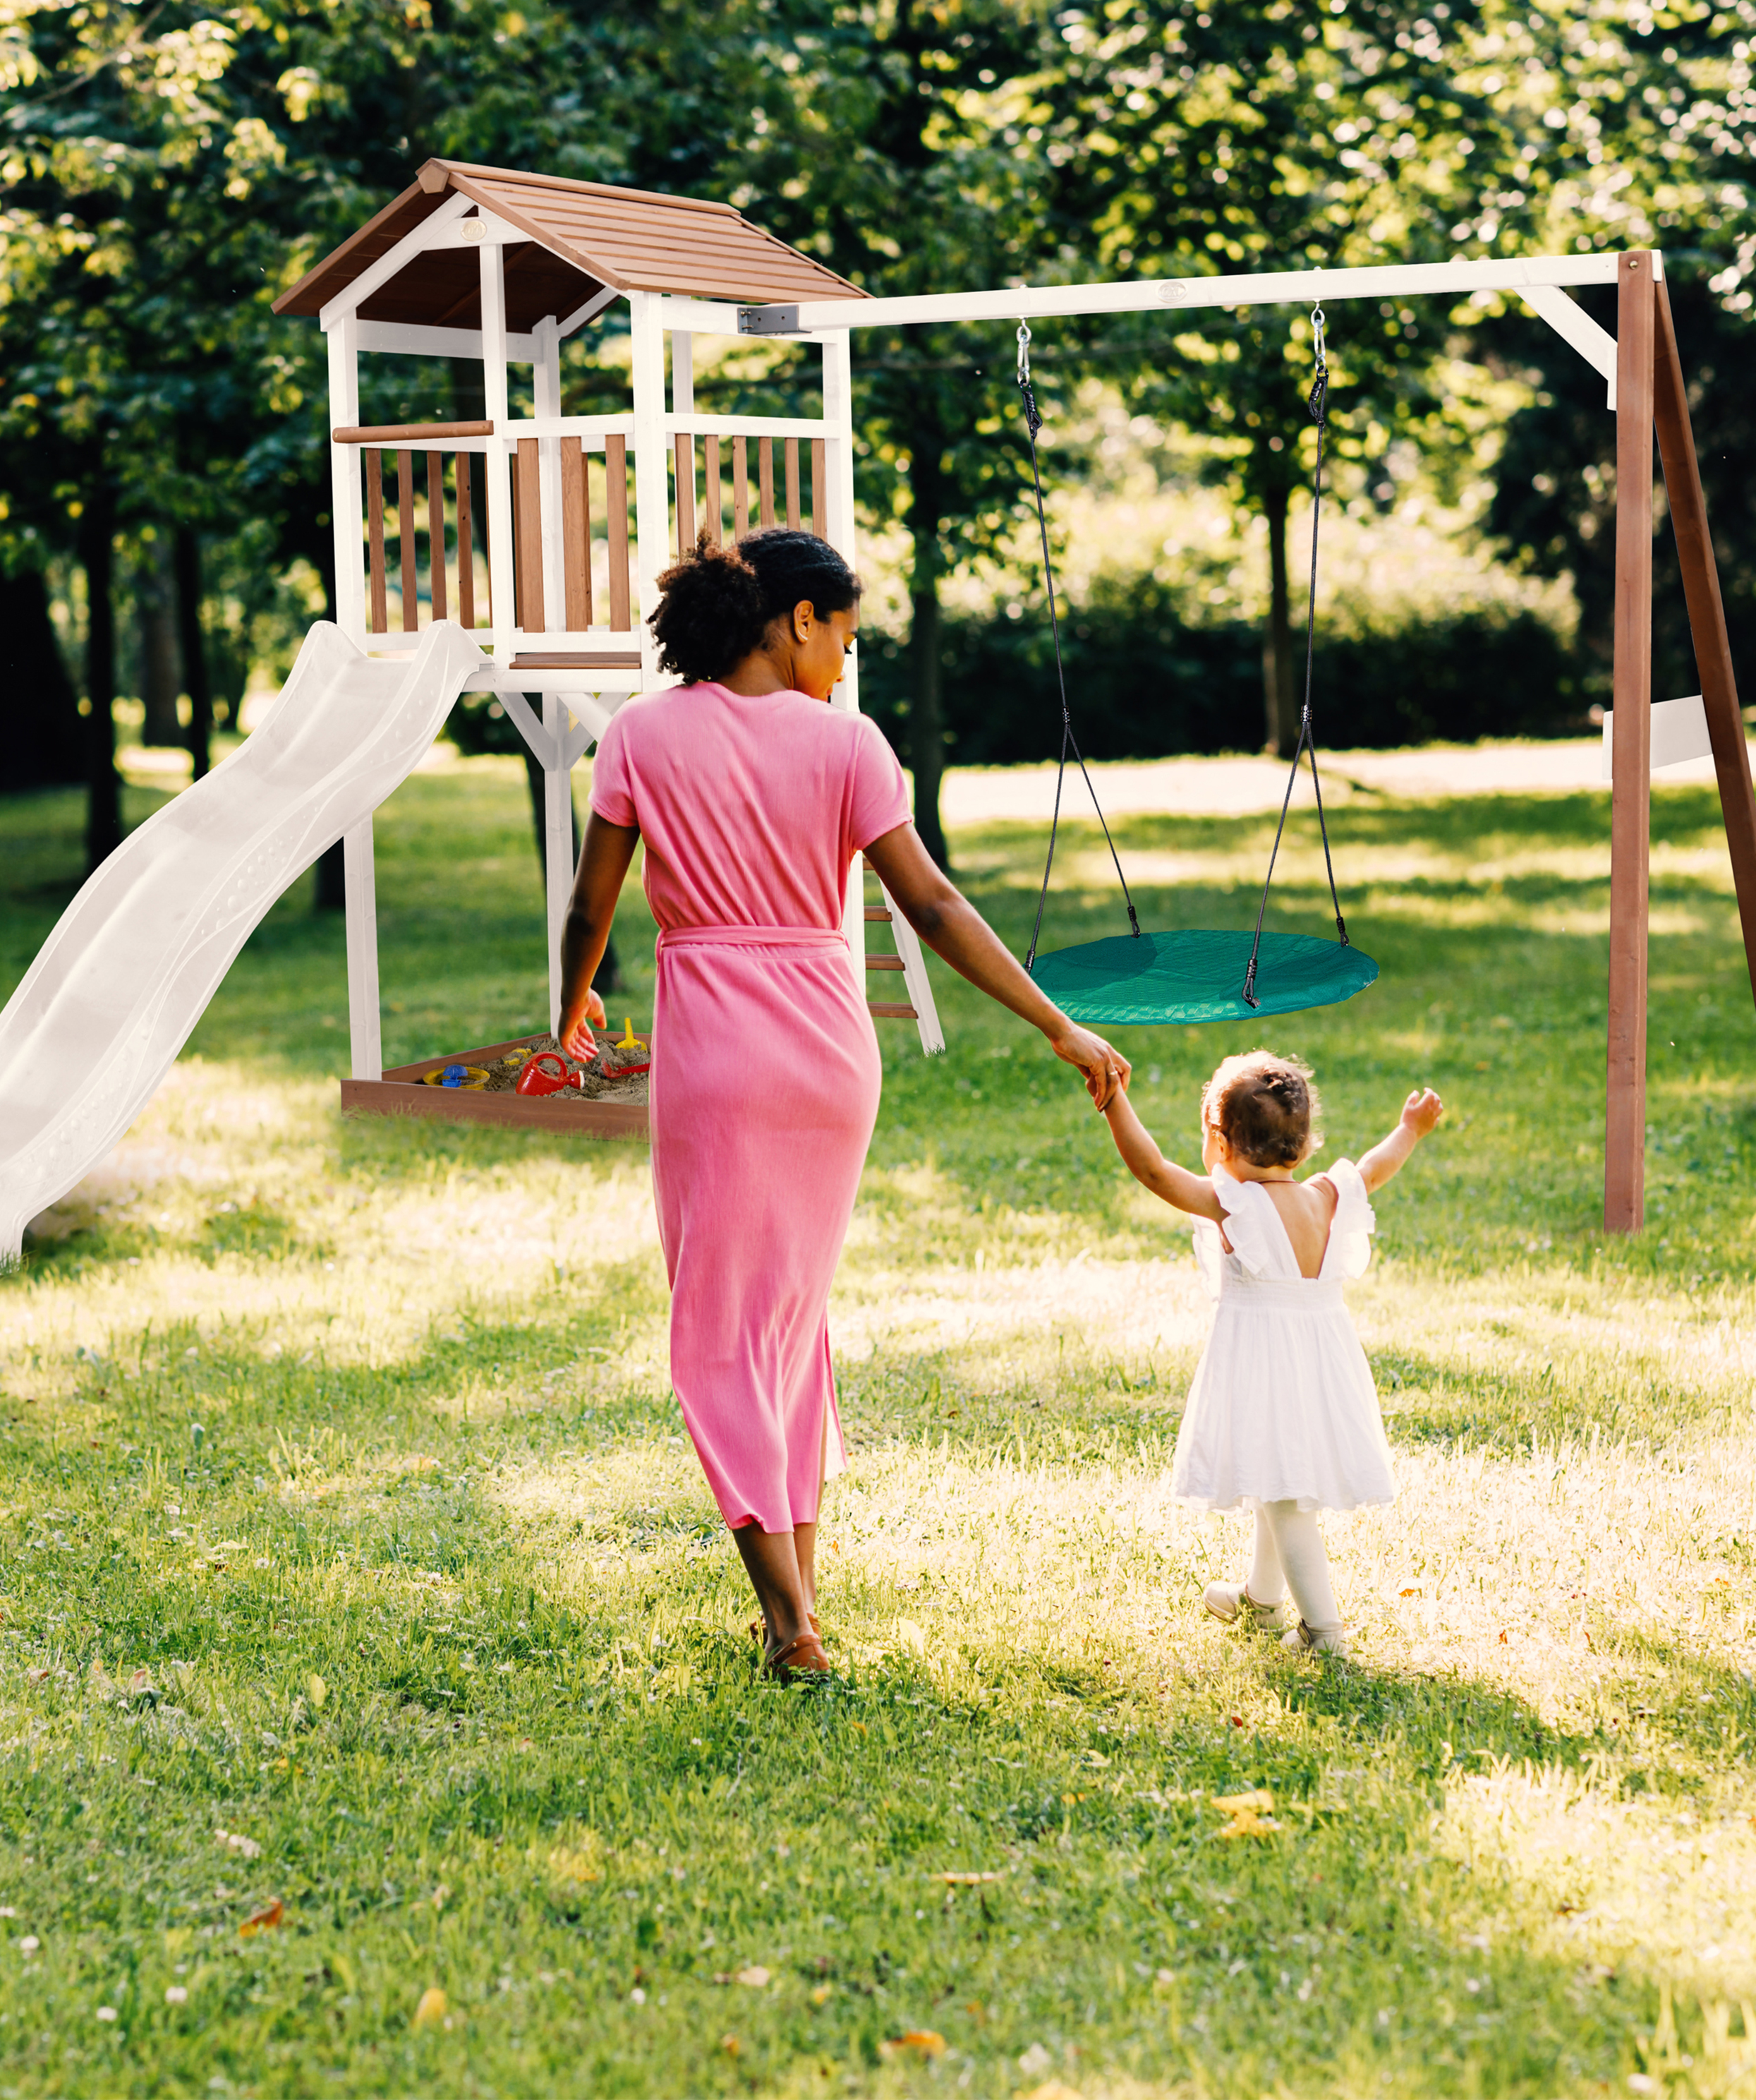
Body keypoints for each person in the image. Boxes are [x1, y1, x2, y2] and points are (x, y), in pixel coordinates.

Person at [556, 529, 1130, 1682]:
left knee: (721, 1336)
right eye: (845, 639)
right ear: (798, 620)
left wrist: (568, 1012)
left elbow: (590, 908)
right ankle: (800, 1603)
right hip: (829, 1056)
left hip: (717, 1056)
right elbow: (935, 906)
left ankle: (789, 1625)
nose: (844, 663)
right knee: (788, 1323)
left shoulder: (640, 736)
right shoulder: (850, 745)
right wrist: (1055, 1022)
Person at [1097, 1051, 1444, 1656]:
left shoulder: (1235, 1205)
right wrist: (1409, 1130)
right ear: (1303, 1145)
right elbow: (1375, 1166)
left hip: (1266, 1369)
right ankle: (1261, 1599)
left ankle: (1323, 1632)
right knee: (1273, 1477)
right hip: (1321, 1367)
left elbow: (1152, 1170)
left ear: (1220, 1142)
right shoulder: (1327, 1196)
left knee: (1285, 1500)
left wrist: (1113, 1100)